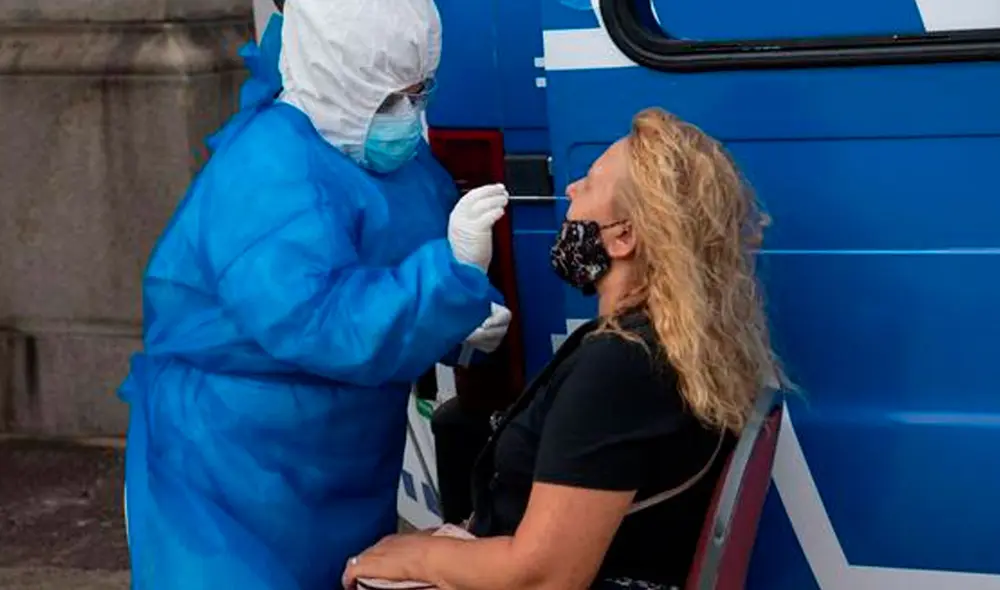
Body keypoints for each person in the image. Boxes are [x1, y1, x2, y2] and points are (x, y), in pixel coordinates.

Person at [119, 0, 512, 588]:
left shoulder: (387, 157)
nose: (406, 114)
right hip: (231, 470)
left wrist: (457, 323)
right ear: (336, 80)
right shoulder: (267, 169)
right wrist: (446, 283)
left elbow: (396, 279)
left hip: (341, 459)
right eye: (388, 99)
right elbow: (318, 321)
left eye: (418, 92)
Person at [342, 107, 790, 590]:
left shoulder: (620, 367)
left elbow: (545, 577)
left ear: (623, 237)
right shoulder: (659, 344)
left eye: (591, 184)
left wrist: (423, 556)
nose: (572, 190)